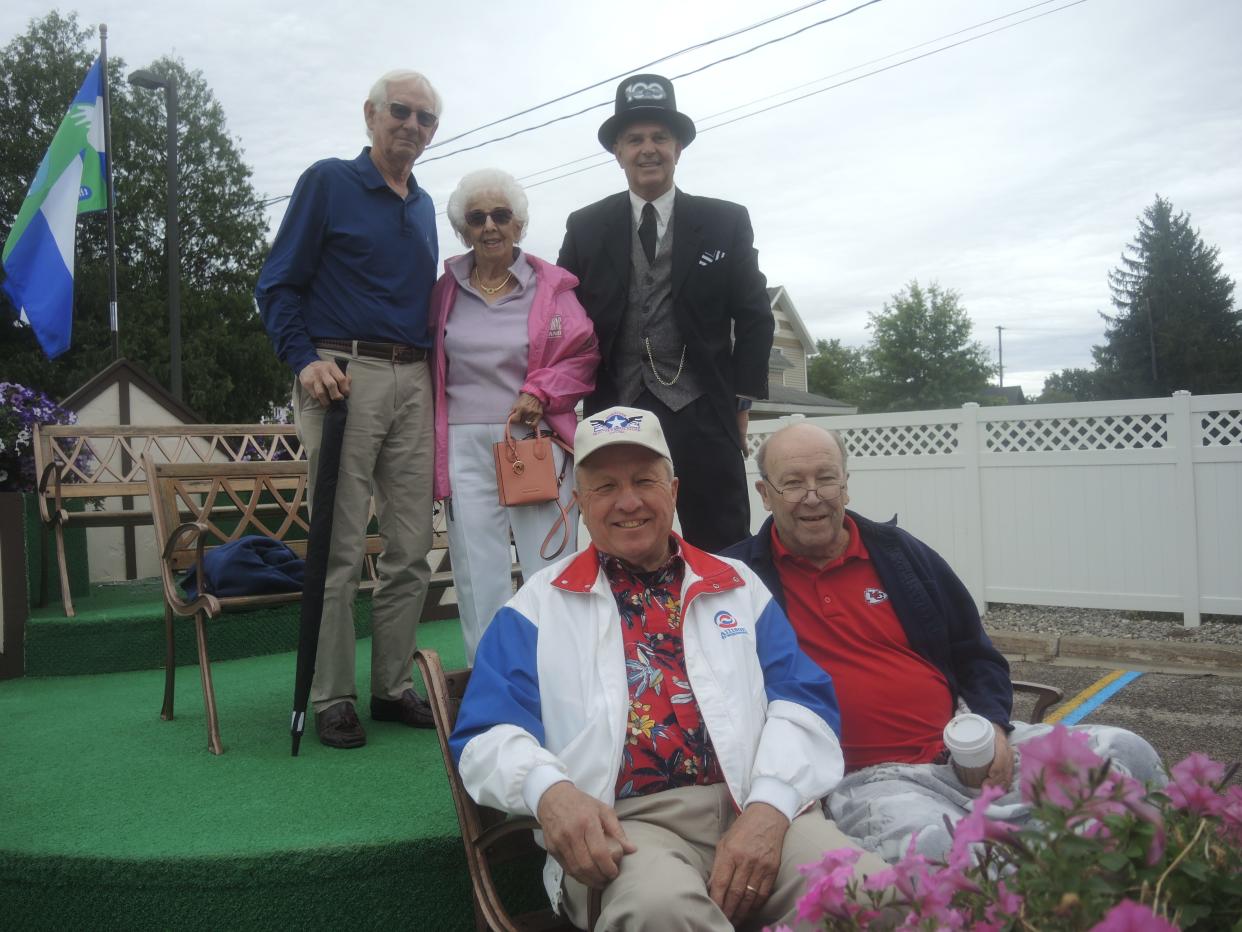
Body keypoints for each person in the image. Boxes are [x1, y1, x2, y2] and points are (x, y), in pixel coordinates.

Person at [449, 405, 885, 931]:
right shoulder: (536, 607)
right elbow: (486, 735)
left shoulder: (737, 584)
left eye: (644, 481)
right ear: (580, 502)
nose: (628, 501)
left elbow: (803, 701)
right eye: (605, 486)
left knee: (873, 895)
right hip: (627, 828)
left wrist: (771, 808)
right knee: (660, 913)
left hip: (757, 803)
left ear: (673, 492)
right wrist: (551, 793)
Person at [722, 422, 1166, 862]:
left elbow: (976, 654)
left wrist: (993, 722)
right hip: (866, 781)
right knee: (942, 852)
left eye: (826, 478)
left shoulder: (900, 554)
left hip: (964, 751)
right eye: (793, 484)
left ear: (847, 485)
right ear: (765, 494)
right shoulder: (738, 580)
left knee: (1127, 752)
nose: (813, 496)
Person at [255, 70, 442, 749]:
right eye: (401, 111)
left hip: (413, 377)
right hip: (342, 376)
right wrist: (305, 359)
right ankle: (333, 695)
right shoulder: (328, 182)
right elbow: (275, 284)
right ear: (370, 114)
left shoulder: (422, 206)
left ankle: (391, 687)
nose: (412, 126)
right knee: (337, 547)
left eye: (426, 118)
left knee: (413, 548)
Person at [557, 74, 774, 554]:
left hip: (702, 407)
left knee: (724, 540)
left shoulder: (725, 221)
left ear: (679, 147)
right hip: (616, 406)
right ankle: (627, 630)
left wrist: (741, 400)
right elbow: (559, 316)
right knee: (622, 537)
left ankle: (726, 626)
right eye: (635, 139)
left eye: (660, 137)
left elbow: (756, 316)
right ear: (617, 151)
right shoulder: (586, 226)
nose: (648, 149)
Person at [430, 168, 600, 664]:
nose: (489, 226)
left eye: (500, 215)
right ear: (463, 229)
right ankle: (492, 680)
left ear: (519, 225)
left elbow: (583, 355)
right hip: (462, 443)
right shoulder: (444, 291)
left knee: (550, 562)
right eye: (476, 217)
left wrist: (540, 392)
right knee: (476, 568)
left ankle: (565, 671)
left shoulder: (551, 288)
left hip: (531, 438)